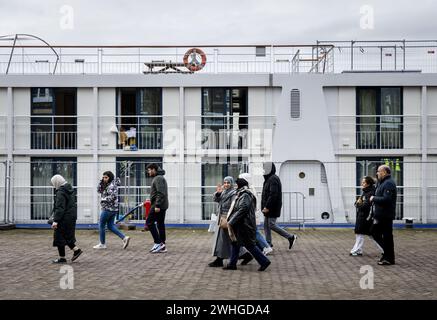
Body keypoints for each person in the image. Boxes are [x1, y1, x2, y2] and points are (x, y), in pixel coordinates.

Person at [224, 176, 271, 271]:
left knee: (249, 245)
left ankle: (264, 261)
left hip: (244, 225)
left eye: (236, 185)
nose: (235, 186)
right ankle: (232, 264)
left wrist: (232, 220)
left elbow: (243, 209)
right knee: (235, 243)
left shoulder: (245, 195)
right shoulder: (241, 193)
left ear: (240, 185)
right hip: (241, 224)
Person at [261, 162, 297, 249]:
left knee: (271, 224)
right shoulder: (269, 178)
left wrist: (267, 207)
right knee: (266, 225)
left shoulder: (273, 179)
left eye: (265, 168)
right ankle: (268, 244)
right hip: (269, 207)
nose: (263, 170)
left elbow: (273, 194)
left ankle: (290, 237)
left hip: (272, 207)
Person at [94, 171, 130, 249]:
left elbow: (112, 197)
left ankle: (102, 244)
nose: (104, 179)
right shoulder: (107, 184)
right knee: (110, 226)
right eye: (103, 177)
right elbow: (98, 190)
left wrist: (103, 199)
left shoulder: (111, 186)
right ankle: (124, 238)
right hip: (113, 209)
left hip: (108, 208)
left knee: (101, 225)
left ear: (110, 177)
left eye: (106, 177)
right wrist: (100, 183)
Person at [50, 174, 82, 264]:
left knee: (59, 236)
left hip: (64, 217)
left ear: (56, 182)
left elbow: (60, 207)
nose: (53, 185)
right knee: (65, 235)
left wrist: (55, 220)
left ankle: (63, 258)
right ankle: (76, 250)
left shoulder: (61, 192)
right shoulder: (69, 189)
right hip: (71, 216)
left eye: (53, 183)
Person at [239, 173, 273, 256]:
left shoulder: (249, 190)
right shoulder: (250, 188)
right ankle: (262, 247)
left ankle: (266, 247)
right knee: (253, 232)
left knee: (255, 232)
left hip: (251, 215)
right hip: (252, 215)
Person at [370, 165, 397, 265]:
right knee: (374, 232)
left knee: (387, 236)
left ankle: (389, 258)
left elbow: (387, 199)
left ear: (384, 172)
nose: (377, 173)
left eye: (378, 171)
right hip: (380, 214)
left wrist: (374, 198)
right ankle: (386, 254)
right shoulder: (382, 183)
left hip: (385, 215)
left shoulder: (389, 183)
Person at [350, 176, 383, 256]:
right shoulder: (365, 192)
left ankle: (356, 250)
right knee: (368, 234)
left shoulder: (370, 193)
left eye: (364, 182)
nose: (362, 183)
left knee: (361, 233)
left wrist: (358, 204)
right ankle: (384, 249)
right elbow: (358, 203)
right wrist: (358, 204)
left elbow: (365, 206)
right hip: (363, 216)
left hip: (366, 217)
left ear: (368, 184)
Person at [209, 176, 237, 267]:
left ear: (232, 183)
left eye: (228, 183)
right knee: (228, 239)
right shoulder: (223, 192)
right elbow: (216, 199)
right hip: (221, 218)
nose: (226, 184)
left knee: (225, 239)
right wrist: (218, 193)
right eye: (225, 183)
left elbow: (233, 206)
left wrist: (229, 217)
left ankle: (219, 259)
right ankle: (244, 254)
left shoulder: (233, 193)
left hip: (227, 218)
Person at [146, 163, 169, 253]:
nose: (148, 172)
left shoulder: (158, 178)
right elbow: (158, 193)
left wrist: (157, 205)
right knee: (160, 224)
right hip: (161, 204)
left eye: (149, 170)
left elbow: (160, 193)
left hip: (158, 205)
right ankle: (162, 245)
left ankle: (158, 243)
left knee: (149, 222)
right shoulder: (159, 177)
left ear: (153, 169)